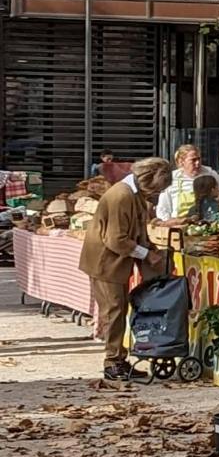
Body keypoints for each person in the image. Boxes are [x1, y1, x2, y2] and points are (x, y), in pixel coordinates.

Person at [80, 156, 172, 380]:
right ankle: (113, 362)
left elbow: (138, 230)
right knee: (114, 311)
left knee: (118, 310)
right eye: (157, 188)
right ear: (148, 179)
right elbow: (116, 239)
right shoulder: (121, 196)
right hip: (105, 263)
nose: (156, 194)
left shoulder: (136, 195)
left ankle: (119, 358)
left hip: (116, 262)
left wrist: (151, 249)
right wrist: (146, 254)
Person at [156, 144, 219, 221]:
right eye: (193, 160)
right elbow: (163, 209)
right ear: (181, 162)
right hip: (179, 224)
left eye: (199, 159)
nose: (198, 163)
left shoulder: (210, 174)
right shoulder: (171, 179)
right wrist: (171, 223)